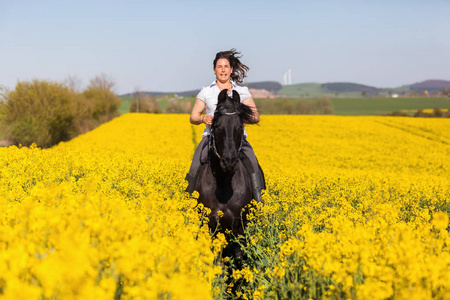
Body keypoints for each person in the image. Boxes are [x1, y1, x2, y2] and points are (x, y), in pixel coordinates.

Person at [185, 49, 264, 202]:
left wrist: (243, 117)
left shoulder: (241, 91)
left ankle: (259, 203)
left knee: (253, 163)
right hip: (211, 139)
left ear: (231, 69)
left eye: (226, 67)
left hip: (237, 141)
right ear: (214, 70)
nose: (223, 70)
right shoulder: (206, 92)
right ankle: (187, 202)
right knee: (195, 165)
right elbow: (193, 116)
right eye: (219, 67)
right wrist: (203, 119)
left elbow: (256, 116)